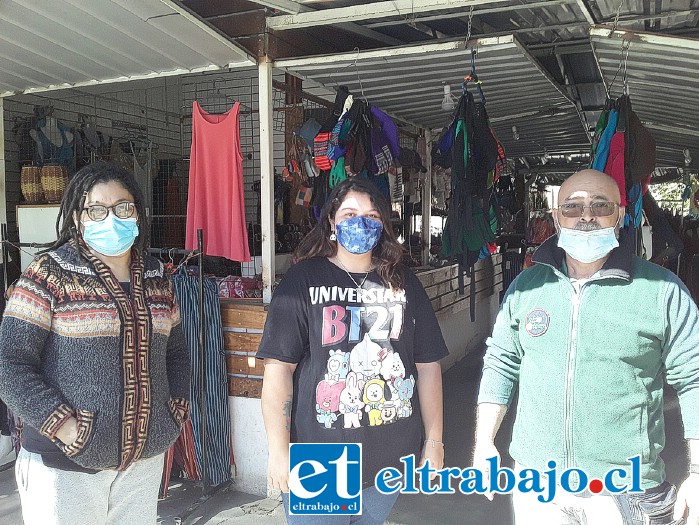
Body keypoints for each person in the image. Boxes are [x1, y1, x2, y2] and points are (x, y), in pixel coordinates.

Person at [474, 169, 699, 525]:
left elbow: (695, 379)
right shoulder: (525, 287)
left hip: (624, 491)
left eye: (600, 205)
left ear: (621, 215)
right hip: (537, 484)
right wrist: (484, 443)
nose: (586, 215)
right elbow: (501, 363)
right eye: (573, 207)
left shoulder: (661, 290)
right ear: (556, 217)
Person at [0, 161, 190, 525]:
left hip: (143, 463)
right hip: (64, 467)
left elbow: (177, 353)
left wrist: (174, 412)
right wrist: (66, 428)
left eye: (123, 207)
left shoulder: (155, 277)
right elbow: (11, 364)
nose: (111, 218)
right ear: (77, 217)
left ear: (137, 213)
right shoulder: (48, 274)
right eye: (97, 209)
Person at [258, 177, 449, 525]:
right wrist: (278, 449)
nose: (361, 223)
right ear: (332, 220)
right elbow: (278, 369)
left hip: (390, 459)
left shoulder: (403, 282)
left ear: (384, 226)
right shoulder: (304, 280)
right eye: (349, 213)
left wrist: (434, 441)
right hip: (322, 460)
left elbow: (428, 367)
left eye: (373, 216)